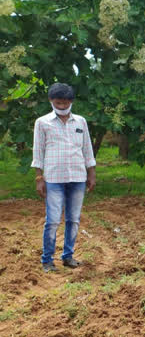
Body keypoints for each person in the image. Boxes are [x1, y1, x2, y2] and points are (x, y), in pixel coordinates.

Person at [31, 83, 96, 272]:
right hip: (53, 178)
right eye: (58, 102)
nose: (62, 106)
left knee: (73, 219)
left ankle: (68, 256)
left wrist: (91, 173)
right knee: (52, 220)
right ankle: (47, 260)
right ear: (51, 101)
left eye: (65, 102)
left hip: (77, 177)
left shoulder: (80, 122)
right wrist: (39, 178)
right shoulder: (42, 123)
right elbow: (38, 151)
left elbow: (87, 148)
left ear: (71, 102)